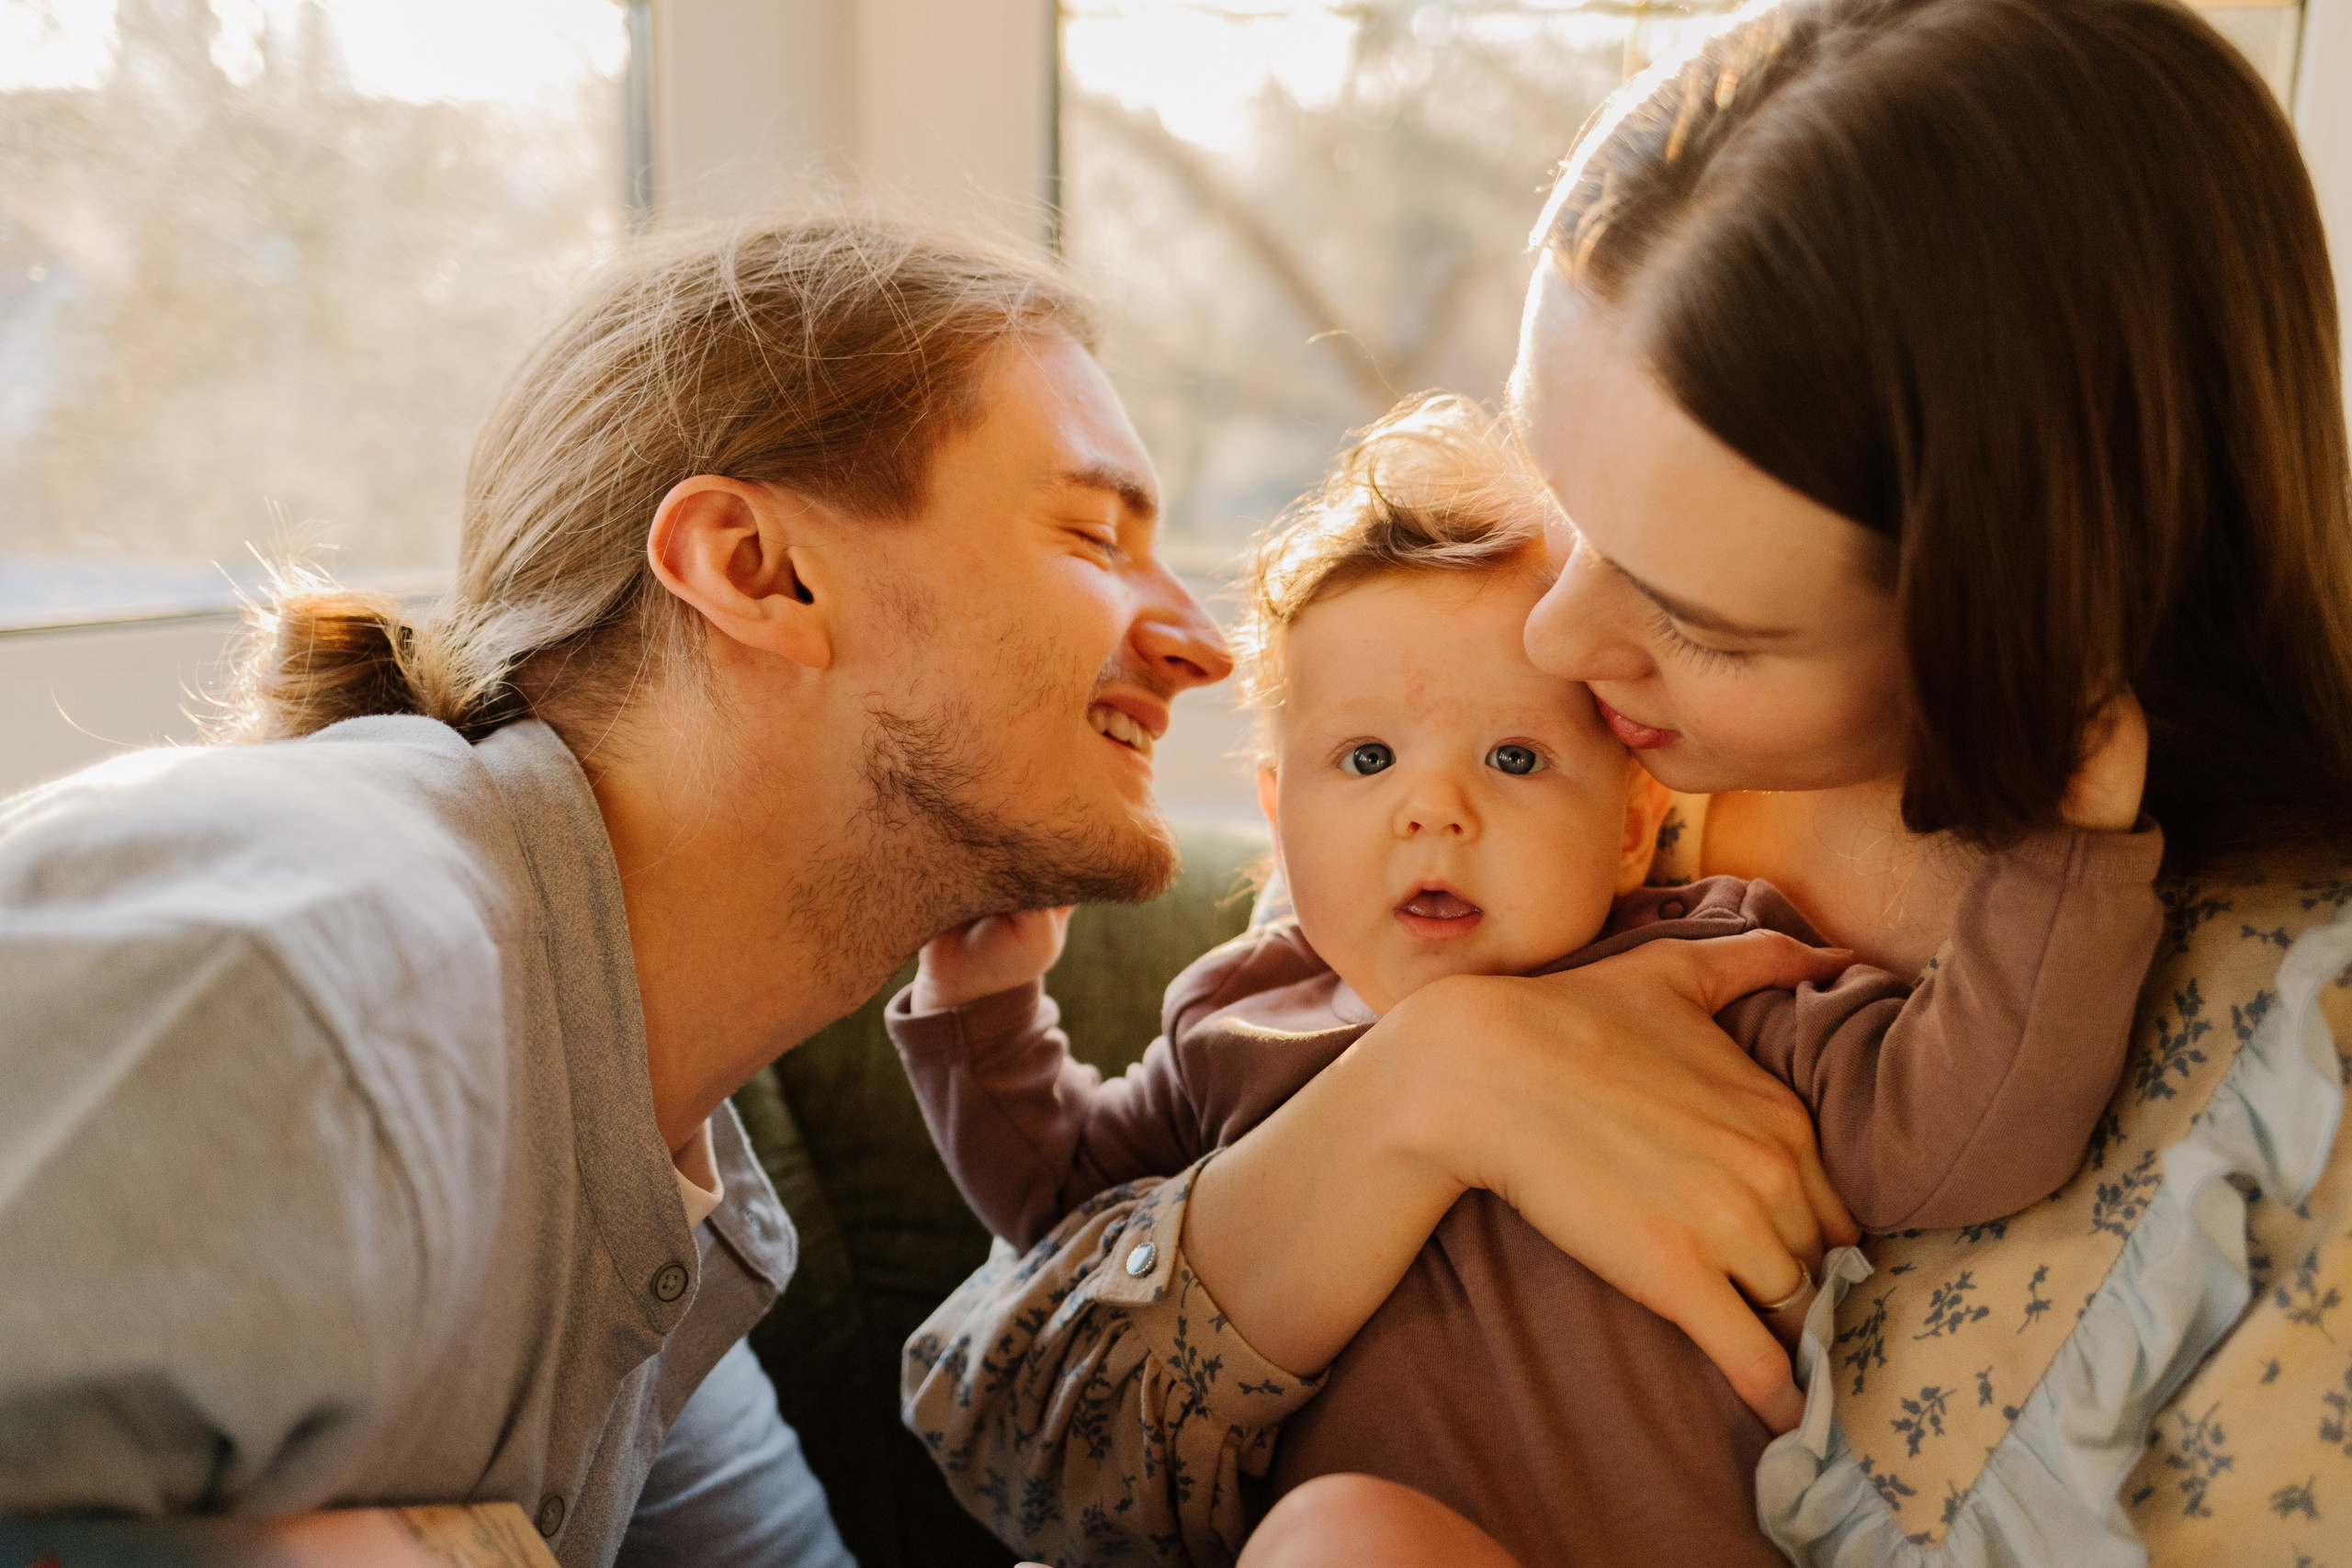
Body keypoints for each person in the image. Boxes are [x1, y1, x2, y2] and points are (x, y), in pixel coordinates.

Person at [890, 0, 2352, 1562]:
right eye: (1565, 505)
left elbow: (1959, 1125)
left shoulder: (1785, 967)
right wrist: (1429, 1082)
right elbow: (1013, 1393)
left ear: (2015, 636)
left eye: (1696, 618)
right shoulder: (1406, 863)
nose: (1553, 638)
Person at [0, 217, 1231, 1568]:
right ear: (758, 570)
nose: (1206, 645)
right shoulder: (298, 996)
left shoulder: (658, 1176)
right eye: (1095, 536)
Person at [899, 392, 2159, 1565]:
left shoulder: (1714, 977)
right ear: (1279, 818)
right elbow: (1064, 1204)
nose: (1433, 810)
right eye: (1368, 759)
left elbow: (1963, 1130)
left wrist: (2068, 855)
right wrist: (986, 1012)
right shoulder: (1236, 1014)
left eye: (1512, 757)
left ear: (1631, 824)